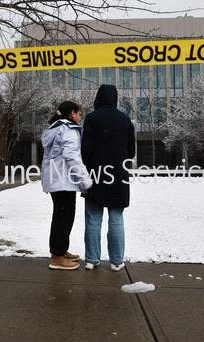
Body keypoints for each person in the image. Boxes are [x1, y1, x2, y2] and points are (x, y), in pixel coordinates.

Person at [81, 84, 136, 272]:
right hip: (118, 174)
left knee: (93, 218)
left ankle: (91, 259)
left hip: (95, 174)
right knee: (116, 218)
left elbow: (85, 151)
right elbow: (131, 151)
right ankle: (117, 261)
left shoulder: (91, 119)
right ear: (115, 98)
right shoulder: (125, 120)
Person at [41, 101, 93, 270]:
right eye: (79, 113)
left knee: (60, 216)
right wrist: (85, 181)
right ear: (72, 113)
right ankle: (57, 257)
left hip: (56, 180)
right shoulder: (69, 129)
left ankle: (60, 251)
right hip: (63, 180)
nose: (80, 117)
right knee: (64, 218)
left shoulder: (55, 128)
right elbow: (72, 157)